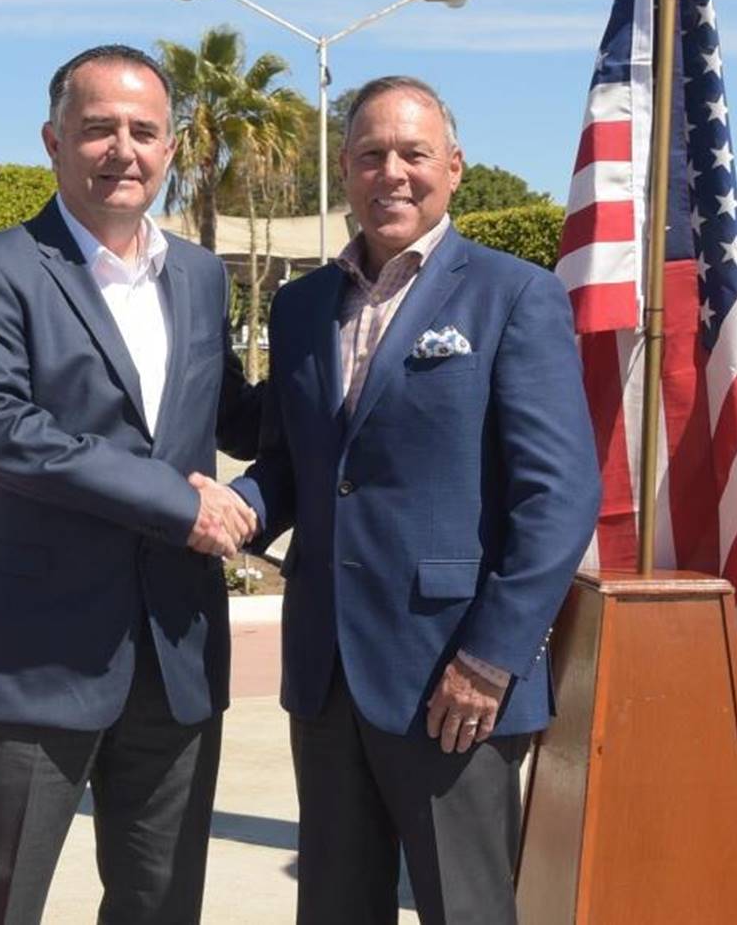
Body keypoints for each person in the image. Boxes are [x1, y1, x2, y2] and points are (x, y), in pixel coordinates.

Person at [231, 76, 601, 924]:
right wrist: (235, 505)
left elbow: (559, 494)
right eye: (370, 155)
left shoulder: (513, 294)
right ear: (345, 169)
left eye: (413, 153)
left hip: (454, 681)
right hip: (326, 673)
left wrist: (491, 658)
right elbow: (295, 464)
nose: (391, 173)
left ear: (454, 166)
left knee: (464, 909)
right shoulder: (300, 307)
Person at [0, 44, 261, 924]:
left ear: (170, 147)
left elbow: (232, 412)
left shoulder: (200, 275)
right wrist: (181, 503)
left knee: (161, 904)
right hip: (32, 655)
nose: (123, 150)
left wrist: (353, 377)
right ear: (54, 140)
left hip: (178, 652)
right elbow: (3, 430)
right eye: (98, 129)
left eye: (144, 131)